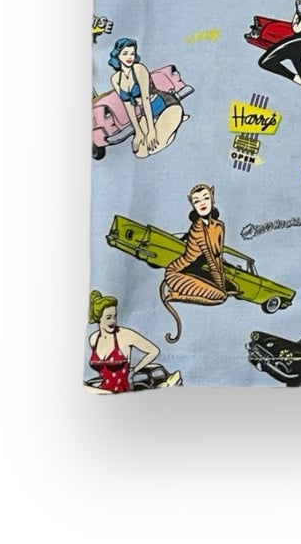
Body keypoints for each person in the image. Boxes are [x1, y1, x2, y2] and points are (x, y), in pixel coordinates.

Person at [160, 183, 237, 342]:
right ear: (192, 204)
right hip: (177, 273)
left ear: (212, 199)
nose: (202, 203)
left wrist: (221, 284)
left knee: (226, 290)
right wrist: (221, 289)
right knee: (221, 297)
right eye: (196, 201)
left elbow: (218, 256)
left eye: (205, 198)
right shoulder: (197, 229)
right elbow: (210, 260)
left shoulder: (219, 226)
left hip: (194, 272)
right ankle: (176, 296)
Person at [107, 36, 185, 158]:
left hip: (167, 105)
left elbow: (146, 100)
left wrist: (151, 130)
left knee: (153, 146)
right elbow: (128, 106)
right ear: (117, 55)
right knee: (140, 153)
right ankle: (165, 125)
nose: (129, 57)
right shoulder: (115, 79)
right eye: (125, 53)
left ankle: (174, 122)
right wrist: (138, 131)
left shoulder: (139, 69)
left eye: (132, 53)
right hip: (146, 113)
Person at [86, 290, 166, 393]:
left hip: (124, 391)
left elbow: (154, 351)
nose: (113, 321)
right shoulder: (93, 339)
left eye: (115, 316)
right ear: (99, 318)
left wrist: (134, 371)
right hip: (103, 391)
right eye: (108, 317)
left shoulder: (125, 335)